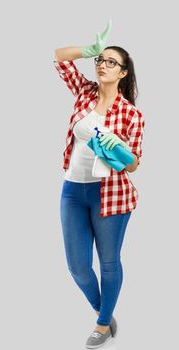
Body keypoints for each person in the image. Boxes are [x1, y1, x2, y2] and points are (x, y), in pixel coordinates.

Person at [53, 21, 145, 349]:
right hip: (73, 191)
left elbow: (134, 163)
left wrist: (116, 146)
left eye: (111, 62)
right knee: (77, 267)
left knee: (108, 262)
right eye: (100, 60)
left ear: (123, 73)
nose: (103, 65)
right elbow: (60, 58)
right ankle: (102, 309)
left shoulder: (131, 114)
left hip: (112, 195)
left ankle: (104, 323)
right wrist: (87, 50)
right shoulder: (84, 92)